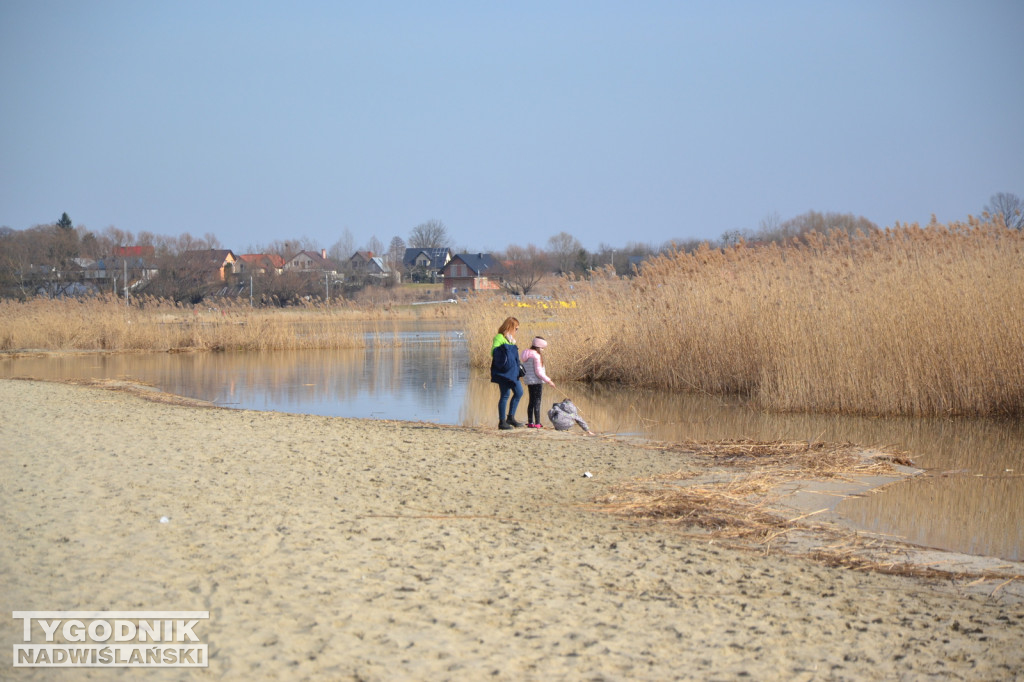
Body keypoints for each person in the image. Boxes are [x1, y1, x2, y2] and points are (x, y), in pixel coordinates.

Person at [490, 316, 523, 430]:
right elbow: (494, 352)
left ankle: (511, 417)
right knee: (505, 395)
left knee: (519, 392)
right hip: (503, 372)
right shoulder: (499, 337)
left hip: (513, 371)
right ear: (510, 327)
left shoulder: (511, 340)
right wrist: (508, 348)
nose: (517, 331)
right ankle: (502, 421)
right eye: (516, 328)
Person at [520, 336, 555, 428]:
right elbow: (539, 372)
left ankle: (530, 422)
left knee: (531, 401)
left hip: (529, 381)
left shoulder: (526, 354)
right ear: (538, 346)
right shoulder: (536, 356)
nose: (543, 350)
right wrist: (549, 381)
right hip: (536, 381)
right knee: (537, 401)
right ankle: (538, 423)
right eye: (542, 348)